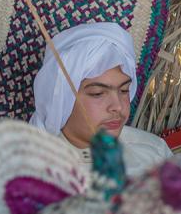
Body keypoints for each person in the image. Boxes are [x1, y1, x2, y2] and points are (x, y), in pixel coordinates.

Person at [30, 22, 171, 177]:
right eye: (98, 93)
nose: (117, 106)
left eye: (124, 90)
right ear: (61, 100)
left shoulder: (153, 152)